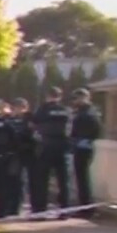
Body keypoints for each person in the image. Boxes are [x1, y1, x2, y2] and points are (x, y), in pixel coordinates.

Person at [31, 86, 72, 218]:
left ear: (48, 96)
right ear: (60, 97)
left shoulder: (43, 109)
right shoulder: (66, 110)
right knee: (63, 181)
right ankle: (64, 211)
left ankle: (40, 211)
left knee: (42, 180)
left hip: (46, 146)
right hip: (62, 147)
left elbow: (33, 124)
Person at [69, 87, 103, 218]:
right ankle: (83, 206)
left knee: (83, 179)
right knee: (80, 178)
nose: (75, 101)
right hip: (78, 147)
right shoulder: (81, 112)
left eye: (77, 98)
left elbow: (97, 129)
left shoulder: (90, 112)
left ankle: (87, 209)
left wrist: (85, 140)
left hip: (84, 148)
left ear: (85, 98)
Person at [4, 98, 37, 218]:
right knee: (13, 181)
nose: (17, 110)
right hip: (14, 153)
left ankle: (21, 207)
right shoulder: (10, 120)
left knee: (22, 182)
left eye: (19, 107)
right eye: (15, 107)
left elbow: (33, 136)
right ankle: (12, 207)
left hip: (27, 153)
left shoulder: (30, 119)